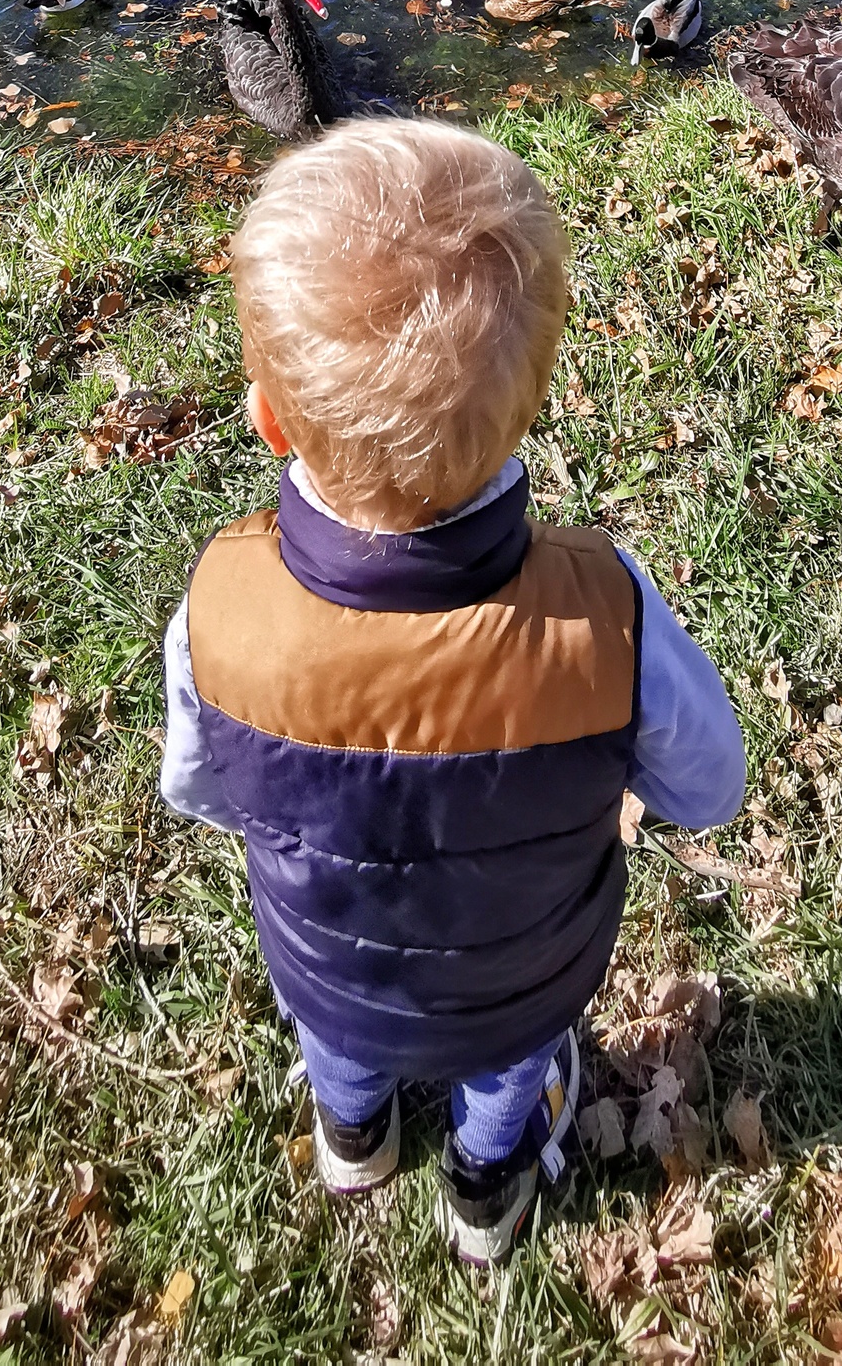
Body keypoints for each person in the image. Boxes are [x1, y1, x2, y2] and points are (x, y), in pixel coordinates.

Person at [160, 118, 747, 1267]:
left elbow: (198, 789)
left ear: (269, 419)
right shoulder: (602, 612)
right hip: (526, 978)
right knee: (508, 1068)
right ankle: (484, 1188)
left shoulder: (218, 606)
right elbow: (707, 789)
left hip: (324, 972)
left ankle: (353, 1135)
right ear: (528, 409)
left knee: (339, 1046)